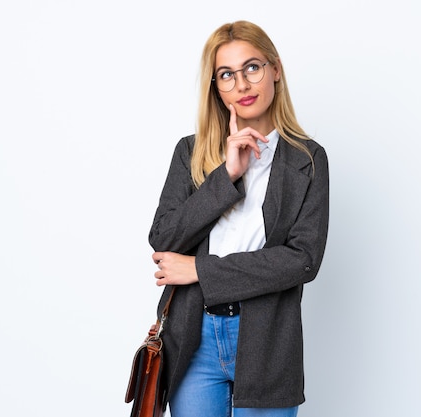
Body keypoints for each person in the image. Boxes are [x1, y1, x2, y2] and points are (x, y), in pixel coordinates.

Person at [148, 20, 329, 417]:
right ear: (216, 87)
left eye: (252, 68)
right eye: (226, 75)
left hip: (267, 341)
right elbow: (163, 238)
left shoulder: (308, 160)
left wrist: (200, 269)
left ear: (275, 70)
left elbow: (300, 259)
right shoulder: (190, 152)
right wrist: (225, 175)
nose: (242, 85)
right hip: (194, 339)